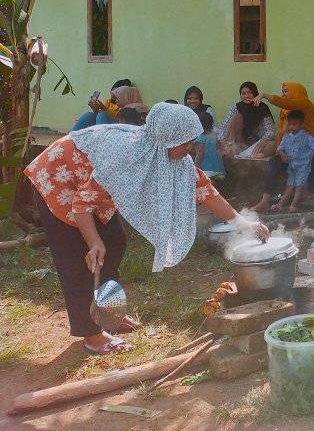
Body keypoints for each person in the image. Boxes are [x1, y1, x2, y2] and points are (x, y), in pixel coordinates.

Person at [23, 103, 269, 356]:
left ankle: (109, 314)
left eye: (191, 141)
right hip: (58, 177)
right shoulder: (125, 158)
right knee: (79, 258)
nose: (191, 149)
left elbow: (205, 191)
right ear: (166, 140)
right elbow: (82, 203)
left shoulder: (164, 152)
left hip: (90, 184)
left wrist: (243, 223)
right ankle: (92, 334)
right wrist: (94, 241)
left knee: (115, 241)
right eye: (185, 143)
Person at [251, 83, 314, 211]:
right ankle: (265, 201)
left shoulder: (305, 104)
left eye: (286, 91)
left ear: (296, 92)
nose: (283, 95)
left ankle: (302, 195)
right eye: (282, 92)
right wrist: (281, 151)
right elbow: (282, 135)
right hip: (289, 154)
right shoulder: (285, 112)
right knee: (274, 162)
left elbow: (287, 103)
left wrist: (264, 95)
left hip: (309, 151)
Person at [272, 110, 314, 212]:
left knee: (299, 186)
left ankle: (294, 205)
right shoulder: (286, 137)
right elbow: (280, 148)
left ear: (301, 124)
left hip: (303, 166)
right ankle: (280, 204)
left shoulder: (306, 136)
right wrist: (283, 155)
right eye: (290, 124)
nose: (291, 127)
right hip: (292, 166)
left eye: (295, 124)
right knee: (289, 185)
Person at [217, 82, 276, 159]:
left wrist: (262, 142)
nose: (246, 96)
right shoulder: (237, 107)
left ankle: (252, 154)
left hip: (257, 143)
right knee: (237, 117)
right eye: (243, 93)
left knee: (273, 145)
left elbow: (270, 131)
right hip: (239, 143)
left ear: (255, 93)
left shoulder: (262, 108)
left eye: (250, 93)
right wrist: (223, 142)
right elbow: (223, 127)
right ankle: (233, 149)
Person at [71, 83, 147, 131]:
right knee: (90, 115)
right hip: (117, 131)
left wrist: (103, 110)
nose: (115, 101)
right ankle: (71, 137)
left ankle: (71, 138)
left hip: (124, 136)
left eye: (118, 98)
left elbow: (123, 127)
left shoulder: (130, 110)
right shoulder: (135, 107)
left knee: (101, 115)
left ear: (125, 97)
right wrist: (96, 109)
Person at [193, 111, 225, 181]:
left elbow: (200, 154)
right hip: (218, 169)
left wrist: (195, 168)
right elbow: (219, 149)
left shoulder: (201, 138)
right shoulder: (214, 135)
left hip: (207, 171)